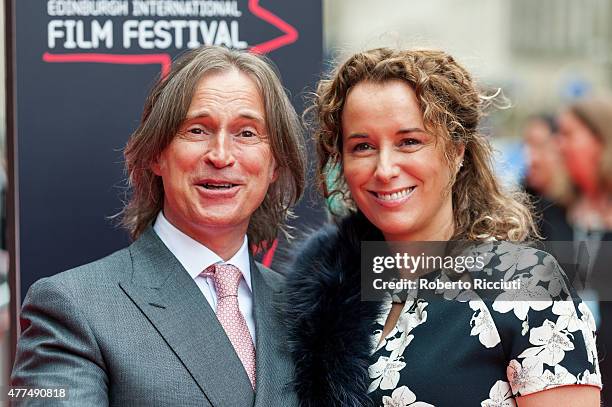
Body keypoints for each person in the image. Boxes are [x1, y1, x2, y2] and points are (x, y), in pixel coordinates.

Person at [285, 48, 601, 406]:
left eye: (409, 142)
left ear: (457, 150)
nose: (385, 168)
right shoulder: (327, 290)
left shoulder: (526, 283)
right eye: (363, 146)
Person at [11, 46, 305, 406]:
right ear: (154, 155)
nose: (222, 155)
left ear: (275, 163)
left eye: (246, 133)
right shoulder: (72, 306)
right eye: (197, 130)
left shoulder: (305, 310)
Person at [557, 96, 612, 404]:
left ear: (600, 139)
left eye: (569, 134)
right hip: (568, 370)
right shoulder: (552, 210)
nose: (559, 144)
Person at [522, 114, 573, 241]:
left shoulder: (579, 210)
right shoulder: (519, 212)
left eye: (539, 146)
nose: (531, 159)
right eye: (527, 146)